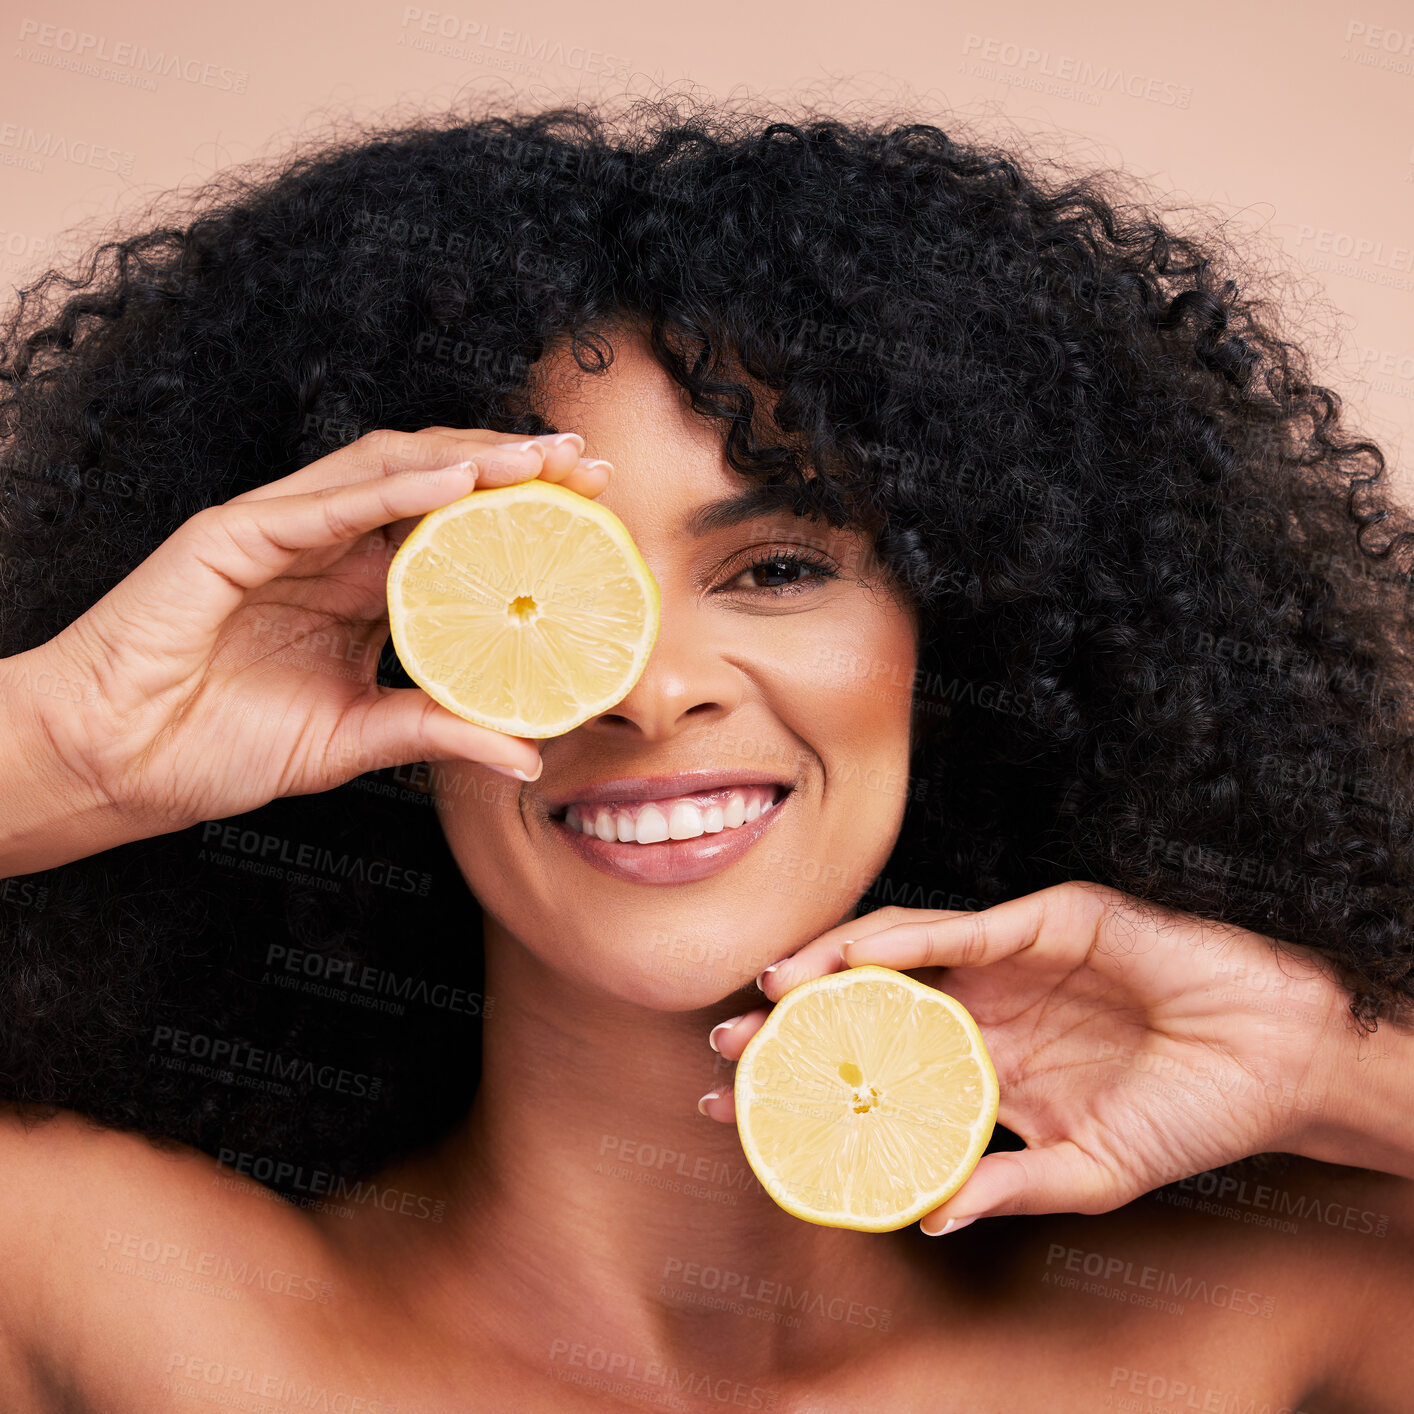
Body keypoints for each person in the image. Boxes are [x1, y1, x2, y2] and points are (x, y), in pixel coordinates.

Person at [2, 95, 1413, 1412]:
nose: (653, 691)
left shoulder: (1281, 1314)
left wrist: (1325, 1068)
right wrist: (68, 751)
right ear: (389, 638)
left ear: (972, 640)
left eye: (779, 566)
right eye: (535, 589)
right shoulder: (96, 1286)